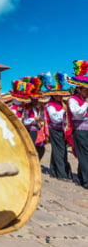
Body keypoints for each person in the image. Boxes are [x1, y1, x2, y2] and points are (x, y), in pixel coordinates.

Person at [41, 72, 73, 181]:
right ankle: (62, 174)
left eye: (61, 95)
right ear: (54, 95)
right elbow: (55, 119)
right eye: (58, 95)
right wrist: (63, 111)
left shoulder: (59, 104)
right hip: (54, 129)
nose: (60, 97)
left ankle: (54, 171)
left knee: (58, 150)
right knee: (60, 151)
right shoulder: (50, 106)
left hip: (60, 130)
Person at [66, 60, 88, 189]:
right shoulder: (73, 100)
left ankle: (81, 177)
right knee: (84, 155)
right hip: (80, 131)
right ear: (79, 89)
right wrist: (86, 102)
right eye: (85, 90)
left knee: (84, 155)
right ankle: (86, 181)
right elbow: (77, 114)